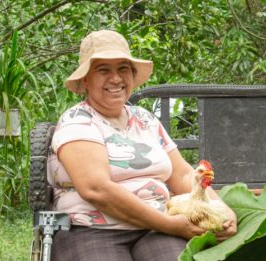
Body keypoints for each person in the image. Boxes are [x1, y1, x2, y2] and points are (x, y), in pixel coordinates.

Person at [47, 29, 237, 261]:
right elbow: (96, 189)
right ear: (86, 79)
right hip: (92, 229)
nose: (116, 78)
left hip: (155, 229)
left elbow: (182, 174)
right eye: (103, 70)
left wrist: (224, 212)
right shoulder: (78, 120)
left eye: (123, 69)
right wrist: (169, 224)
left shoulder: (144, 118)